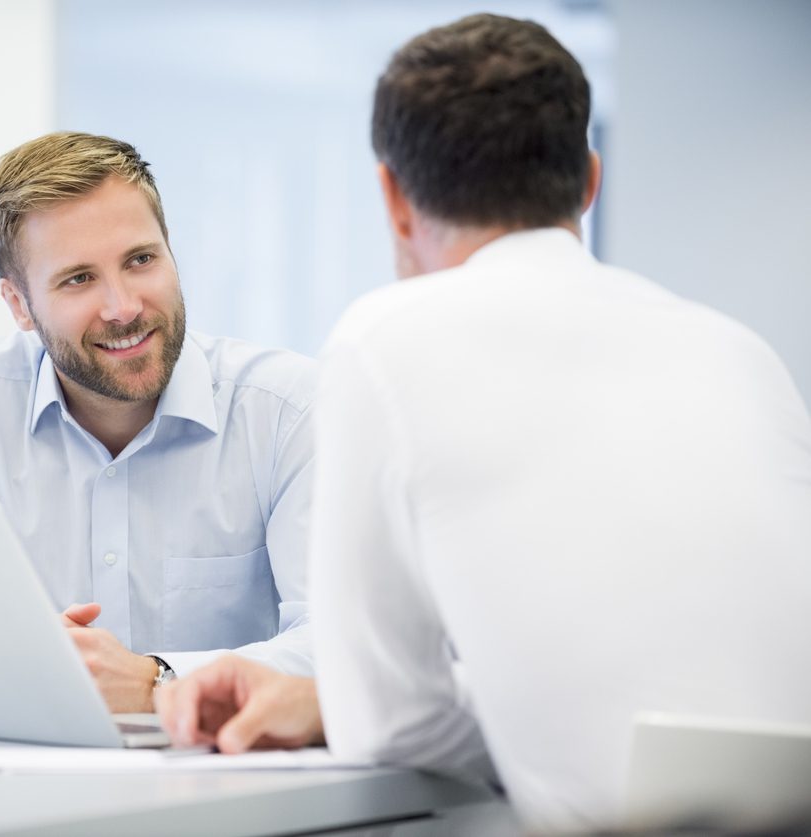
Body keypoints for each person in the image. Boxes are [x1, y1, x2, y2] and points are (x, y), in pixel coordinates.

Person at [156, 13, 811, 832]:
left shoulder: (386, 337)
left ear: (393, 199)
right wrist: (337, 698)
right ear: (590, 181)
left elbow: (392, 722)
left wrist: (344, 703)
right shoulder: (737, 350)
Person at [0, 132, 316, 715]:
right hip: (12, 798)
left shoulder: (287, 410)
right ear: (19, 305)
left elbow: (345, 647)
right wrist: (21, 670)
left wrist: (157, 681)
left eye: (140, 260)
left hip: (240, 793)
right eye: (78, 279)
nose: (124, 307)